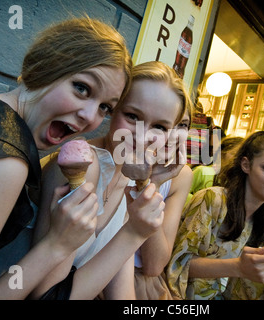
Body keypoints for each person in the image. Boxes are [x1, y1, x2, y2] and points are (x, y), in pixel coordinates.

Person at [0, 16, 132, 299]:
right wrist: (57, 244)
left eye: (104, 106)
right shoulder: (3, 158)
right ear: (42, 66)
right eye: (81, 88)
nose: (91, 117)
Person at [31, 61, 191, 299]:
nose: (143, 136)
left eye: (159, 127)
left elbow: (122, 288)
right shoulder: (85, 165)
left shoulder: (128, 176)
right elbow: (46, 295)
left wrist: (149, 186)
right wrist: (134, 232)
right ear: (113, 109)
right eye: (132, 116)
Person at [166, 131, 264, 300]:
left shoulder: (263, 220)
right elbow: (176, 264)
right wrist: (237, 267)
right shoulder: (212, 199)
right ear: (246, 165)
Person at [134, 104, 193, 300]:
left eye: (182, 125)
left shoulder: (180, 176)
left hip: (141, 280)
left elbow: (154, 265)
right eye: (162, 125)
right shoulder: (117, 160)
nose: (173, 134)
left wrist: (153, 185)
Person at [188, 136, 243, 203]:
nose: (236, 158)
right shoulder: (203, 171)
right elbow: (182, 192)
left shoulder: (237, 180)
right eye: (234, 154)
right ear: (222, 153)